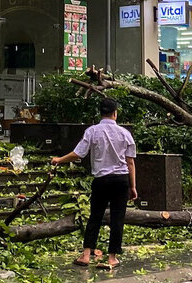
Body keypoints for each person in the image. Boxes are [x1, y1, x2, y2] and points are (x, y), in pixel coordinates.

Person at [52, 97, 137, 271]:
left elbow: (78, 153)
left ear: (100, 113)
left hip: (101, 180)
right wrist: (133, 186)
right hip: (121, 179)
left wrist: (59, 160)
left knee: (95, 216)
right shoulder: (125, 133)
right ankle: (112, 257)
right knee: (117, 218)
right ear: (115, 113)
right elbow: (130, 163)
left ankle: (85, 254)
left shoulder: (92, 131)